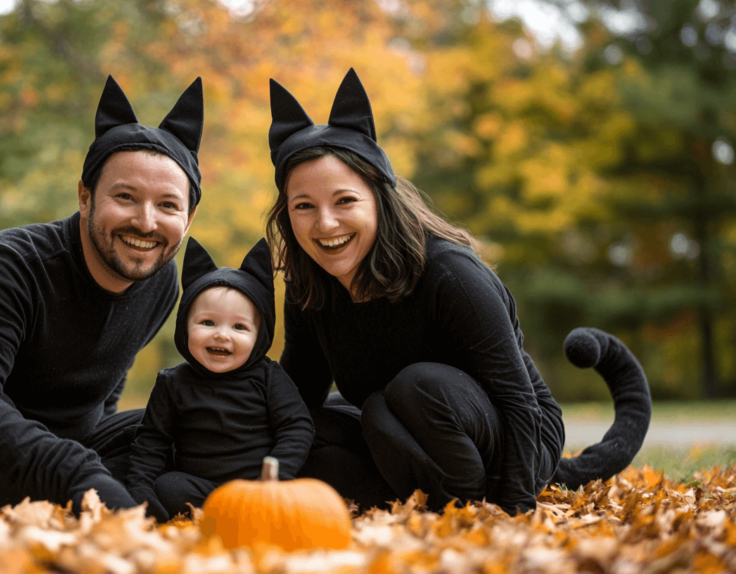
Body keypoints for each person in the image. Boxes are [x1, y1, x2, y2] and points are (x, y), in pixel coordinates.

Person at [265, 69, 652, 514]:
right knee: (310, 428)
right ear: (287, 215)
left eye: (345, 201)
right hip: (404, 438)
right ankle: (409, 505)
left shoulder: (449, 274)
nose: (325, 224)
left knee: (411, 389)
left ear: (379, 199)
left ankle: (471, 507)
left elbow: (518, 402)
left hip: (514, 438)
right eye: (304, 207)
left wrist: (515, 507)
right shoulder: (309, 288)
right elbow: (297, 401)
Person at [0, 75, 205, 511]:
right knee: (23, 468)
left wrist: (105, 459)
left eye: (168, 205)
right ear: (85, 197)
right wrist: (77, 471)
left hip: (70, 440)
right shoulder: (10, 265)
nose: (146, 222)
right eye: (126, 197)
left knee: (195, 429)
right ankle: (91, 493)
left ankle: (129, 501)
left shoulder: (162, 280)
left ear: (187, 221)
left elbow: (108, 385)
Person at [126, 237, 314, 522]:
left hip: (258, 484)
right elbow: (152, 441)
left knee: (312, 481)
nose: (222, 334)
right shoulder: (173, 383)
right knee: (169, 486)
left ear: (259, 336)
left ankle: (254, 507)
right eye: (207, 322)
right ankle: (226, 514)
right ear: (185, 326)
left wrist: (278, 473)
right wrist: (140, 487)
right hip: (201, 488)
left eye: (239, 326)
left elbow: (296, 426)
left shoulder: (268, 376)